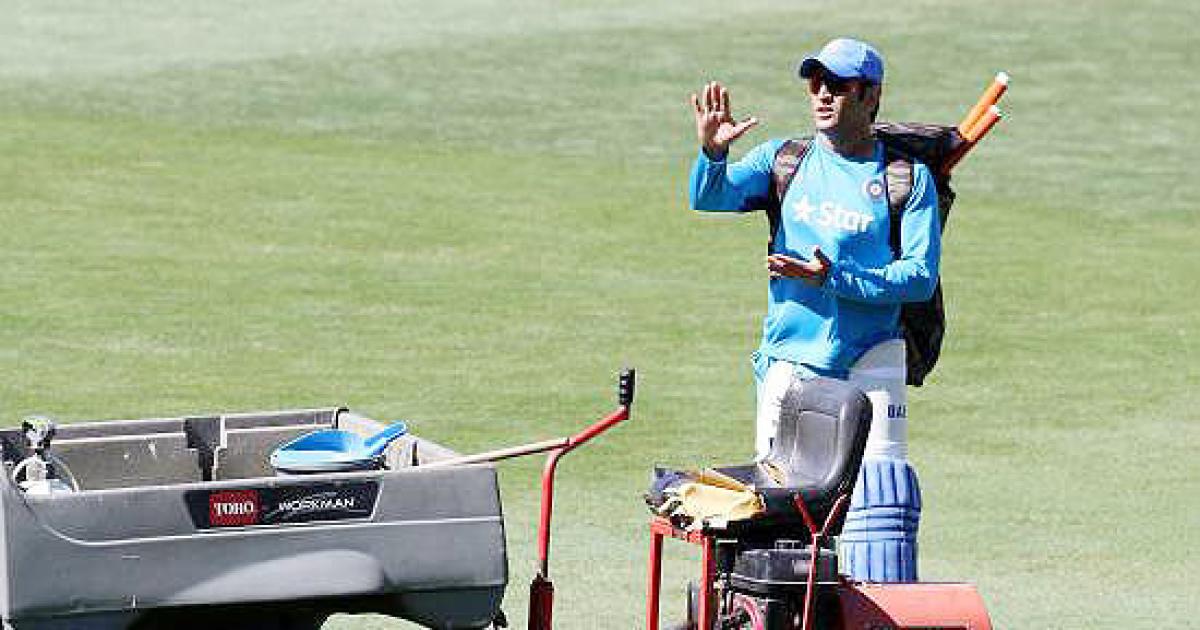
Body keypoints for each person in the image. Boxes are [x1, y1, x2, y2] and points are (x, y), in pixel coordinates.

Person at [687, 38, 939, 582]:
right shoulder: (785, 159)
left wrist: (833, 278)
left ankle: (875, 609)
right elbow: (710, 197)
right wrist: (712, 153)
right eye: (815, 83)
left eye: (838, 85)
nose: (823, 94)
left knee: (881, 509)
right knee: (783, 511)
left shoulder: (906, 178)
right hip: (790, 359)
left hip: (873, 357)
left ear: (870, 96)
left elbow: (919, 279)